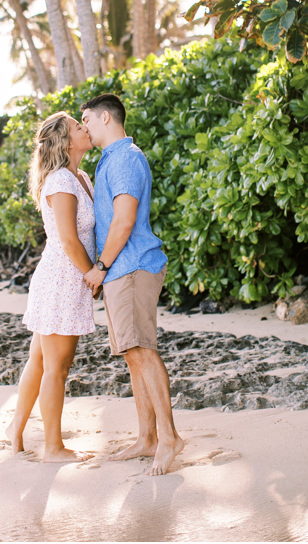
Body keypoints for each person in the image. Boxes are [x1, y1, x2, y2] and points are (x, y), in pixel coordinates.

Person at [80, 93, 185, 477]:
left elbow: (125, 220)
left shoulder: (125, 157)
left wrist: (100, 266)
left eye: (87, 119)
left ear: (106, 118)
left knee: (141, 349)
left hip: (132, 266)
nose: (85, 127)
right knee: (131, 353)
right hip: (122, 270)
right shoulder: (112, 159)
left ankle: (170, 437)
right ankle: (147, 438)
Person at [7, 112, 97, 462]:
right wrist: (93, 274)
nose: (85, 129)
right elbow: (69, 241)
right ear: (65, 140)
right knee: (57, 367)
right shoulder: (61, 180)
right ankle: (53, 447)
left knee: (40, 360)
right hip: (63, 278)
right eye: (78, 126)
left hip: (64, 277)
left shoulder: (81, 177)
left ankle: (15, 428)